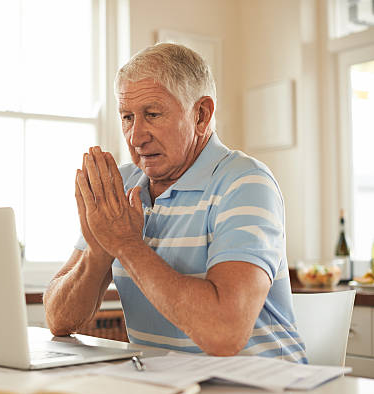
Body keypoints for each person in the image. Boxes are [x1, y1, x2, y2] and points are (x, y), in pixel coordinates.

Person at [43, 43, 307, 363]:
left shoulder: (246, 182)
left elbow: (224, 333)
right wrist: (101, 249)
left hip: (263, 389)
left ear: (201, 115)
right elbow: (58, 320)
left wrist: (126, 245)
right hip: (166, 386)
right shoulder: (123, 185)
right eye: (127, 117)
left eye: (152, 115)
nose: (136, 136)